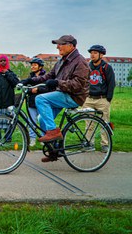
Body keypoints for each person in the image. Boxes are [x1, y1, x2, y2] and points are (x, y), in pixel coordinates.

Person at [21, 35, 89, 163]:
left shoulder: (80, 62)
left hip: (74, 96)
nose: (58, 47)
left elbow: (78, 85)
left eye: (60, 44)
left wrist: (57, 83)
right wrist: (30, 80)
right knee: (42, 119)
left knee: (41, 99)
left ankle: (53, 131)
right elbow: (48, 76)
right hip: (62, 94)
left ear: (71, 46)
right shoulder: (61, 61)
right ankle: (55, 150)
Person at [82, 44, 115, 153]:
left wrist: (108, 99)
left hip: (102, 99)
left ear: (101, 55)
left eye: (95, 53)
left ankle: (105, 144)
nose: (92, 55)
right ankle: (88, 143)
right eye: (91, 53)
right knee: (89, 123)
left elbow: (111, 83)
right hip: (89, 99)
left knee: (104, 123)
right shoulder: (87, 66)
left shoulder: (106, 67)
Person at [26, 57, 48, 146]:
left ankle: (44, 137)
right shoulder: (30, 77)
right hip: (32, 102)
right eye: (32, 65)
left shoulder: (45, 76)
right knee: (32, 122)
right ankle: (32, 139)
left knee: (43, 121)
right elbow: (26, 89)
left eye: (35, 65)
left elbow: (47, 88)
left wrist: (38, 89)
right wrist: (31, 90)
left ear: (40, 67)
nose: (33, 67)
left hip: (42, 102)